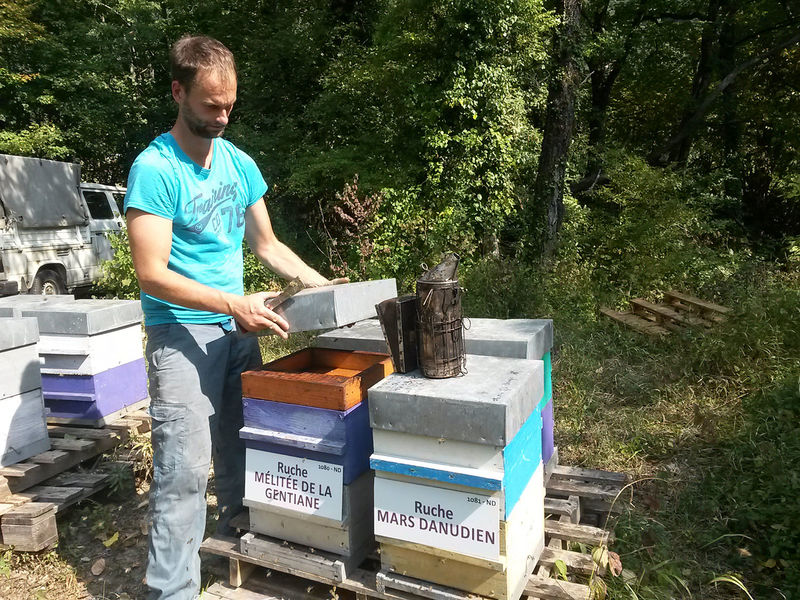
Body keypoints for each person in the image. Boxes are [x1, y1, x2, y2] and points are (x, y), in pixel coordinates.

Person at [124, 35, 341, 600]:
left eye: (229, 105)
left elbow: (268, 246)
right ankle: (171, 590)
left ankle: (234, 548)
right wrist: (232, 303)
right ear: (178, 91)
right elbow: (151, 274)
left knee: (242, 447)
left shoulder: (239, 163)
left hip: (238, 327)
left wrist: (326, 288)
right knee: (183, 469)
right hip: (179, 333)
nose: (222, 116)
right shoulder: (155, 168)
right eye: (210, 106)